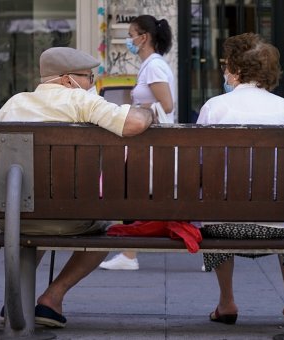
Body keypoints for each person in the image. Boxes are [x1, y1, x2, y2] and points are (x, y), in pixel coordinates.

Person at [0, 46, 155, 328]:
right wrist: (150, 113)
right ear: (68, 80)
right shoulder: (81, 101)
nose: (91, 84)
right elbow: (133, 124)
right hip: (70, 217)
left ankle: (16, 300)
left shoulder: (13, 104)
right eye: (89, 77)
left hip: (15, 217)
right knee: (108, 229)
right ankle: (52, 299)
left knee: (30, 215)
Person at [196, 33, 284, 327]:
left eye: (226, 66)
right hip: (281, 225)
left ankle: (226, 302)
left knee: (213, 208)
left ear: (235, 70)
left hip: (224, 225)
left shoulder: (214, 106)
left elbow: (200, 164)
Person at [99, 14, 176, 271]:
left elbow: (166, 105)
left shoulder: (153, 66)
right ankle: (129, 253)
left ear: (143, 38)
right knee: (139, 191)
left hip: (152, 142)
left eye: (131, 35)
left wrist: (134, 109)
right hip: (150, 141)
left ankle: (129, 254)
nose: (128, 40)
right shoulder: (151, 65)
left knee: (134, 190)